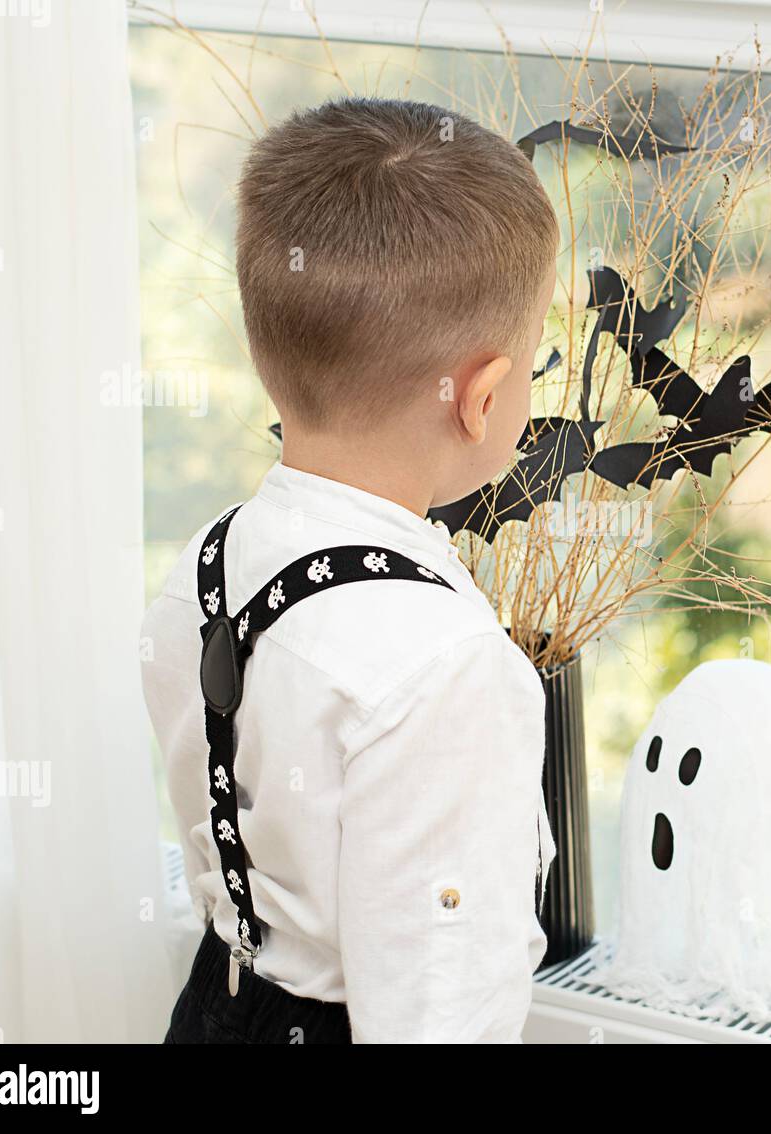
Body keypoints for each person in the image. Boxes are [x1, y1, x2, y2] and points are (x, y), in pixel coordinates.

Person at [141, 98, 559, 1043]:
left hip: (214, 1009)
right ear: (482, 399)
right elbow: (440, 1010)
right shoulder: (444, 667)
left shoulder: (199, 569)